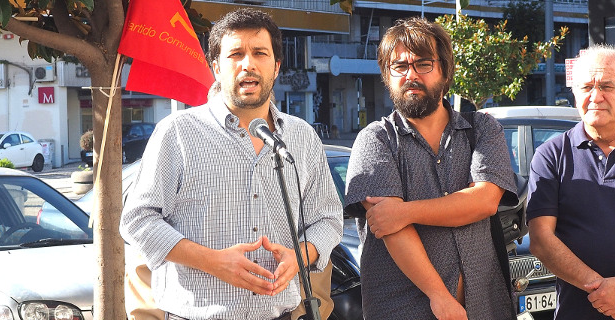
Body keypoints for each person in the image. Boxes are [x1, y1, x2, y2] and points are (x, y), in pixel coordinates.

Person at [119, 8, 343, 320]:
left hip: (280, 313)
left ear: (276, 66)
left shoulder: (302, 137)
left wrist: (299, 257)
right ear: (216, 67)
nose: (248, 64)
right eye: (235, 53)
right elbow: (137, 221)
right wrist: (212, 261)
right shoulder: (178, 133)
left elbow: (328, 218)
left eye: (260, 53)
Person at [344, 17, 516, 320]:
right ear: (387, 75)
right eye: (399, 66)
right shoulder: (374, 140)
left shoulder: (483, 129)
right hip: (402, 310)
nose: (411, 74)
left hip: (486, 308)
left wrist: (406, 211)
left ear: (445, 71)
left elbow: (485, 201)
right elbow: (389, 226)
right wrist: (440, 297)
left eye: (423, 64)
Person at [527, 45, 615, 320]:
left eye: (607, 85)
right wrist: (601, 290)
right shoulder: (550, 155)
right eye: (585, 87)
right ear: (574, 95)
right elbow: (540, 239)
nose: (595, 96)